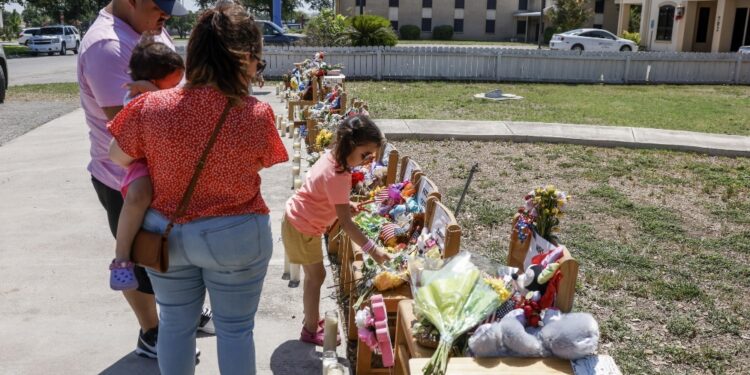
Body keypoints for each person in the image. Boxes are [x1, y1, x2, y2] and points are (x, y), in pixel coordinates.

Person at [107, 3, 288, 373]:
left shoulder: (150, 107)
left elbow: (118, 157)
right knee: (236, 330)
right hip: (235, 235)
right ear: (245, 58)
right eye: (258, 61)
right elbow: (262, 160)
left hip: (166, 234)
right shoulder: (256, 113)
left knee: (175, 324)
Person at [77, 0, 212, 359]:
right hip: (128, 174)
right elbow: (129, 127)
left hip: (163, 171)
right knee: (144, 256)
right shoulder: (108, 46)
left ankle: (182, 314)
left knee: (172, 250)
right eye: (159, 8)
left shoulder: (147, 26)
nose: (165, 17)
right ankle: (152, 332)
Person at [282, 114, 390, 346]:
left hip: (298, 221)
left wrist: (344, 204)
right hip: (302, 228)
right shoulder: (339, 175)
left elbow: (324, 193)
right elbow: (346, 225)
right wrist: (374, 251)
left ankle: (311, 319)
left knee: (315, 276)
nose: (366, 160)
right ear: (351, 145)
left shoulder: (332, 158)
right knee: (316, 277)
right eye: (365, 154)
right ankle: (310, 330)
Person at [109, 37, 184, 291]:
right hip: (142, 163)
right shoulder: (134, 97)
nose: (177, 91)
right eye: (172, 85)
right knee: (139, 195)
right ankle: (121, 259)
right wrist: (152, 93)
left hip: (167, 159)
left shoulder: (156, 92)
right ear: (152, 82)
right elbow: (148, 114)